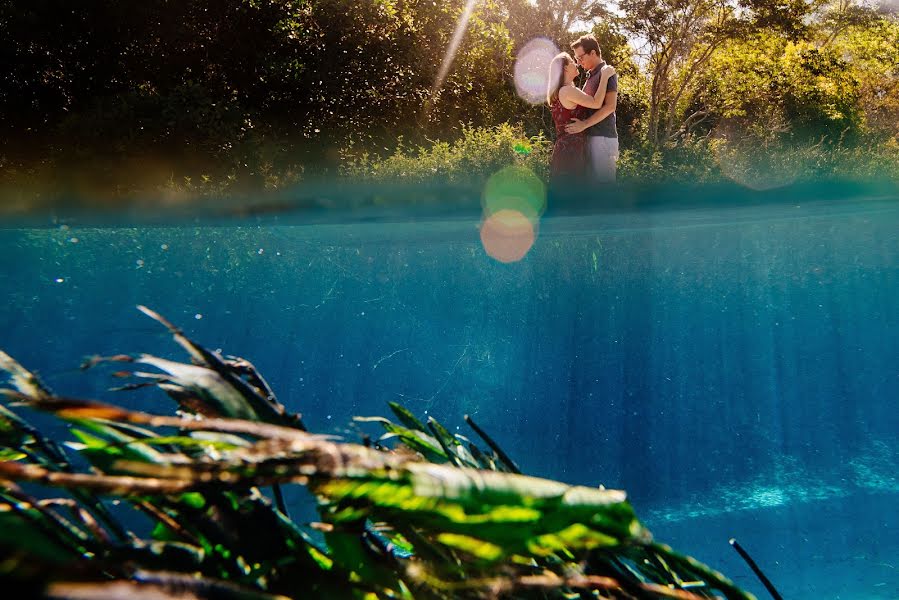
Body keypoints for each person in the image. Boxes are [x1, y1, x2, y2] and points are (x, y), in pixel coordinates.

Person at [546, 52, 615, 181]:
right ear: (565, 68)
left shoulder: (560, 91)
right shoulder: (567, 91)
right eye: (572, 61)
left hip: (565, 149)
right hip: (572, 151)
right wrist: (604, 76)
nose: (576, 63)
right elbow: (596, 102)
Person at [566, 35, 618, 183]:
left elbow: (610, 107)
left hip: (603, 138)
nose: (578, 62)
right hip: (591, 137)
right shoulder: (591, 75)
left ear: (593, 53)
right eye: (576, 59)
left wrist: (584, 124)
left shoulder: (608, 73)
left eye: (580, 57)